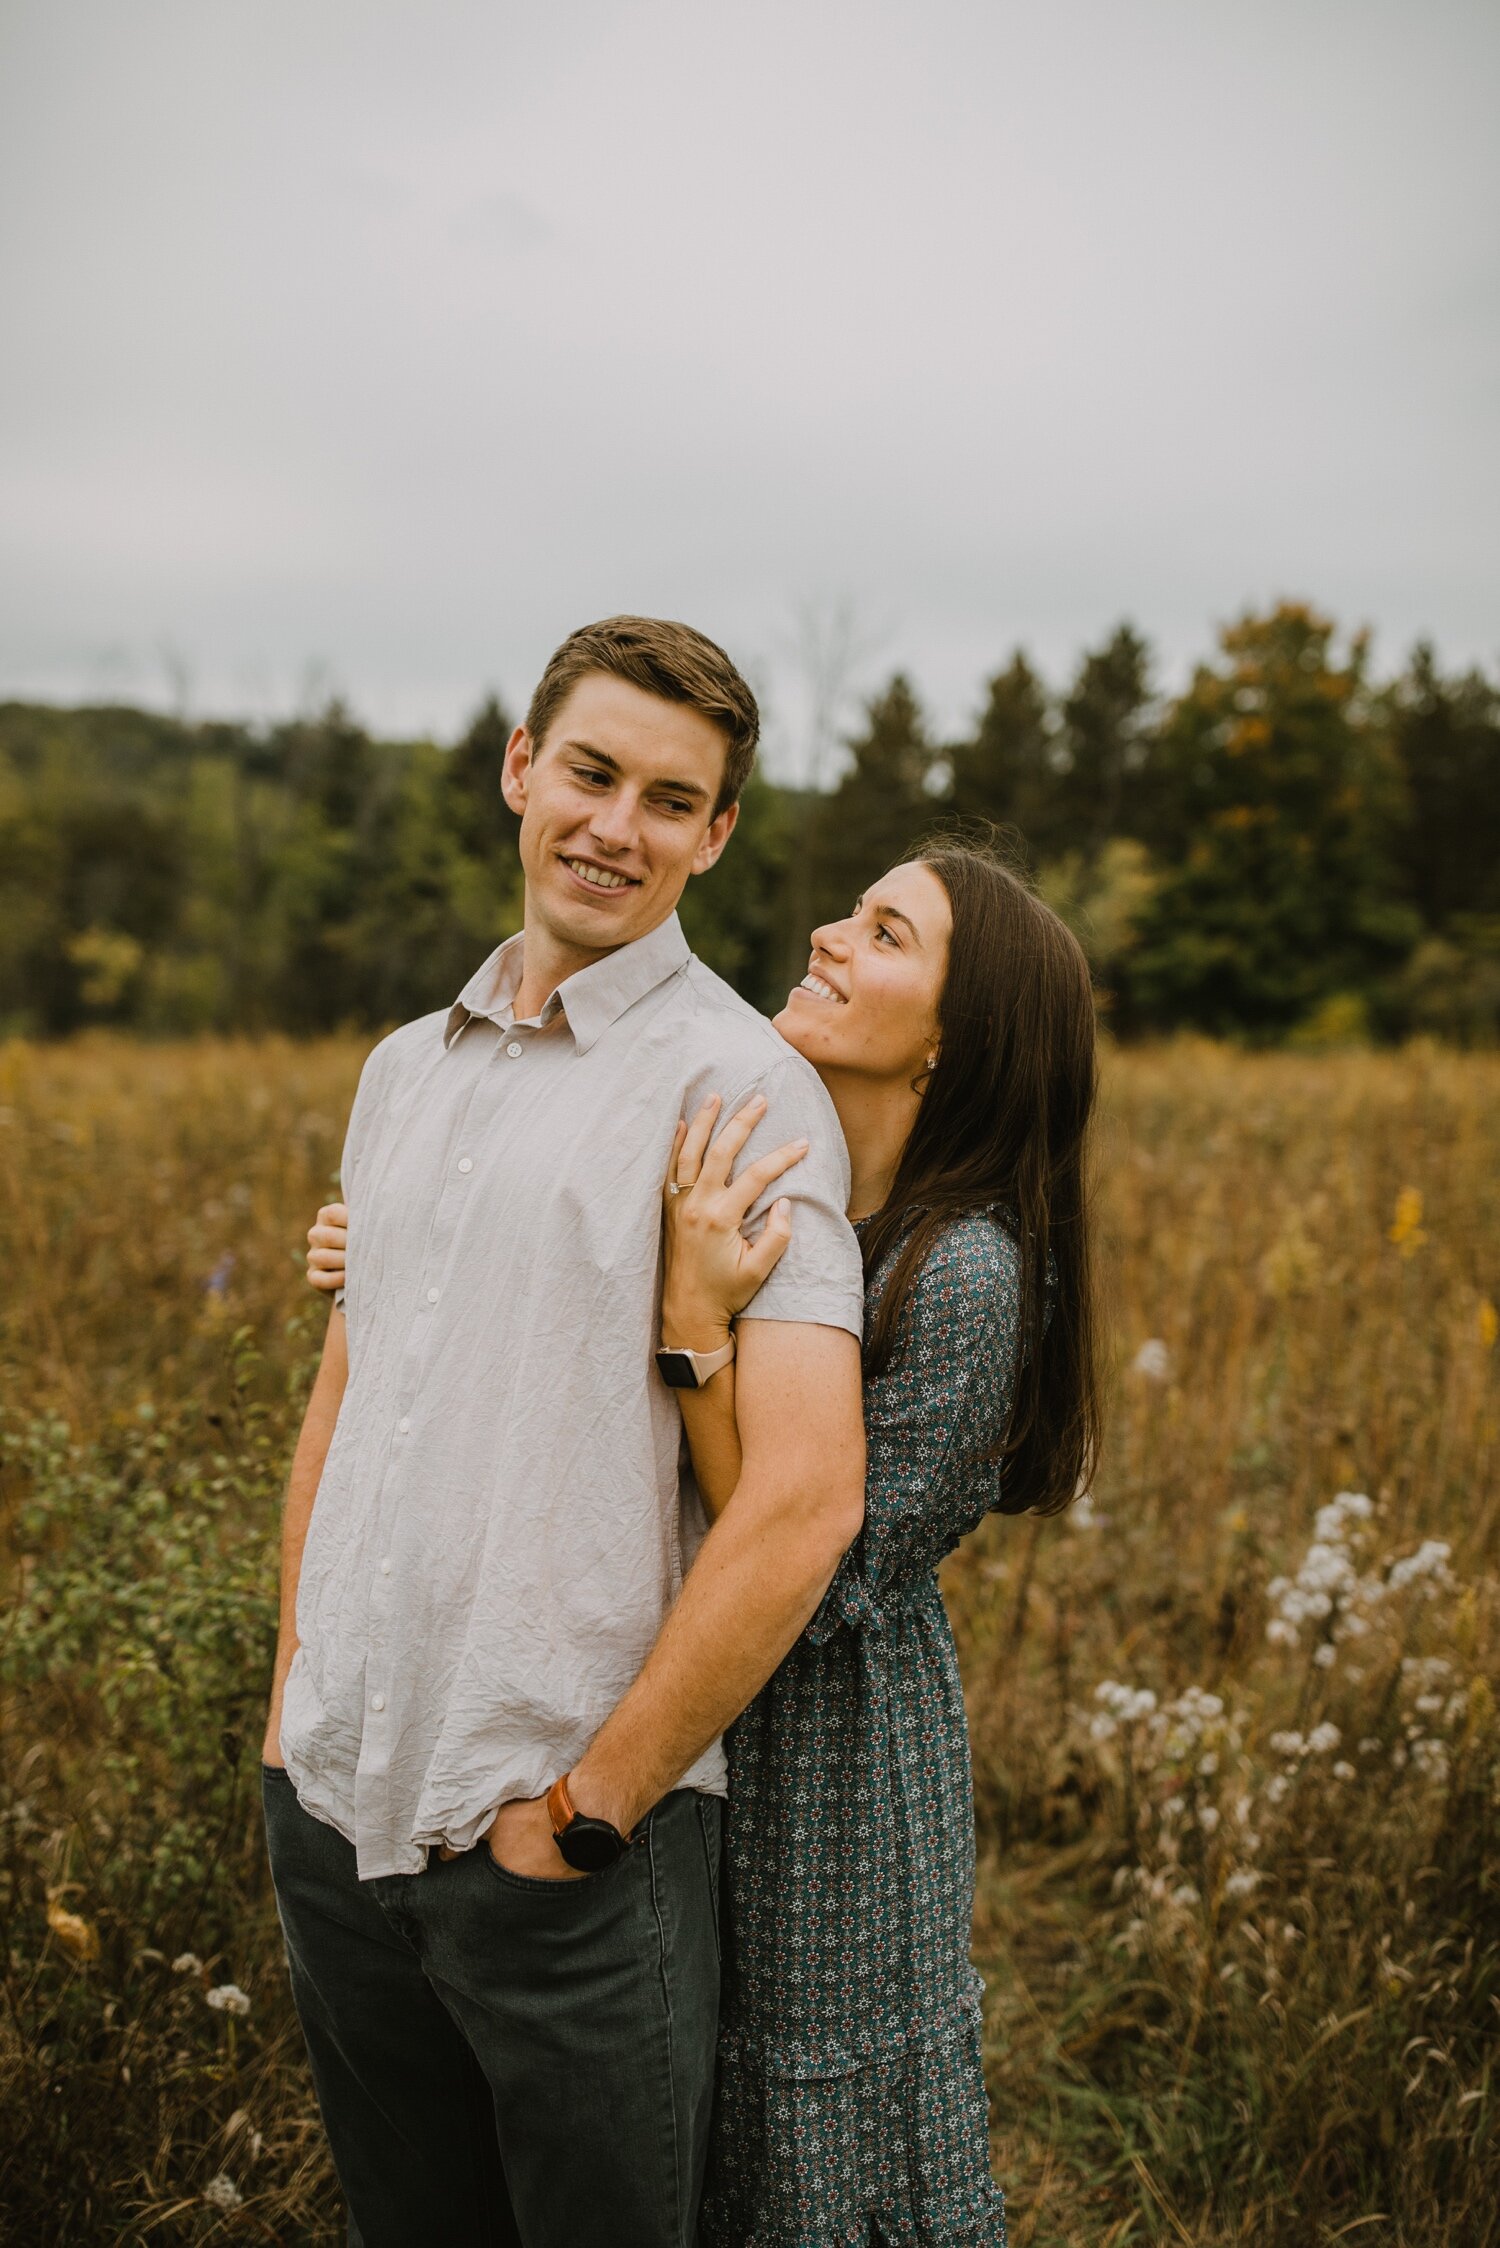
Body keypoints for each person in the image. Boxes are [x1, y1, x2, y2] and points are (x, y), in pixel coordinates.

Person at [308, 840, 1103, 2244]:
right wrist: (396, 1238)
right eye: (854, 912)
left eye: (886, 936)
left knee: (797, 2156)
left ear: (956, 1038)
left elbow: (824, 1563)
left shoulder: (969, 1267)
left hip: (824, 1756)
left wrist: (694, 1329)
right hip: (699, 1706)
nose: (830, 936)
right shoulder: (820, 1205)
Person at [265, 614, 869, 2248]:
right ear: (521, 769)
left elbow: (807, 1501)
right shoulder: (404, 1073)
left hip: (560, 1855)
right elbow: (349, 1391)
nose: (618, 826)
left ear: (717, 836)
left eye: (671, 800)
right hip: (334, 1811)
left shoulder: (740, 1089)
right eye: (592, 772)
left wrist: (592, 1812)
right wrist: (285, 1711)